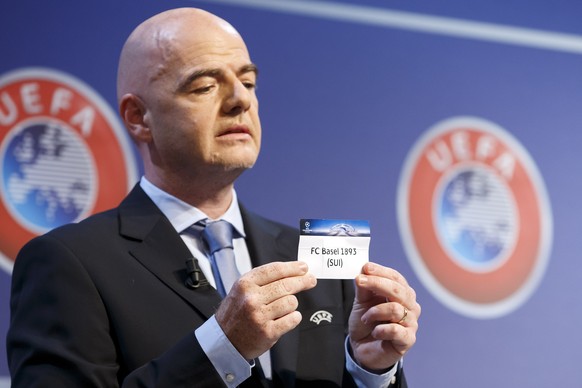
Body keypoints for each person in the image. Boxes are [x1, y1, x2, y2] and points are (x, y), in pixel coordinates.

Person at [6, 7, 420, 388]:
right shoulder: (69, 264)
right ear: (138, 117)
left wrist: (370, 370)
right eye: (205, 86)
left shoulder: (311, 256)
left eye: (248, 82)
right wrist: (222, 348)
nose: (240, 100)